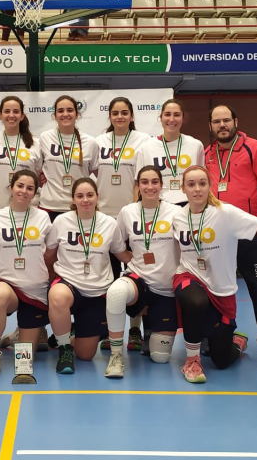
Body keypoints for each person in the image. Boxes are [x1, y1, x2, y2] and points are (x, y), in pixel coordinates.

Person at [172, 165, 257, 384]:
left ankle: (235, 342)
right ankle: (192, 360)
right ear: (183, 189)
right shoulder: (177, 216)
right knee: (194, 301)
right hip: (189, 276)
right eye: (191, 184)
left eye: (202, 184)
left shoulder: (226, 213)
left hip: (220, 288)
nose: (197, 189)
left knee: (222, 361)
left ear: (209, 187)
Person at [205, 104, 257, 366]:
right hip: (218, 236)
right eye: (217, 122)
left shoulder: (254, 148)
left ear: (235, 121)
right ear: (211, 127)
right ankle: (216, 335)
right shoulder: (207, 155)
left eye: (226, 120)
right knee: (214, 289)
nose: (222, 125)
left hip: (251, 233)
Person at [46, 178, 132, 374]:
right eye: (80, 196)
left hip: (97, 291)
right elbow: (49, 255)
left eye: (90, 195)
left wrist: (151, 257)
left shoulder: (109, 223)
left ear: (97, 197)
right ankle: (64, 349)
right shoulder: (61, 221)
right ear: (73, 199)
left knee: (86, 355)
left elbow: (122, 255)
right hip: (69, 284)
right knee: (57, 296)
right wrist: (48, 282)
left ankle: (69, 332)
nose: (85, 200)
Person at [104, 165, 182, 378]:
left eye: (154, 182)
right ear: (138, 185)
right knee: (116, 292)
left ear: (161, 185)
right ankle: (116, 355)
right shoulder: (127, 212)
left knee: (160, 357)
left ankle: (150, 330)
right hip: (138, 280)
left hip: (166, 289)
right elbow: (117, 244)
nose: (149, 186)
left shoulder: (176, 212)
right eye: (144, 182)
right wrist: (130, 261)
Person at [0, 170, 52, 377]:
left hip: (35, 293)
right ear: (11, 188)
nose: (24, 191)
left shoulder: (43, 217)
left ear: (35, 193)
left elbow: (52, 253)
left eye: (30, 188)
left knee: (25, 359)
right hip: (8, 285)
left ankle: (20, 335)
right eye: (20, 186)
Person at [95, 96, 151, 346]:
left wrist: (136, 210)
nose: (120, 117)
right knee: (108, 276)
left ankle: (136, 330)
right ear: (109, 116)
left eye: (125, 112)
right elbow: (94, 175)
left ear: (132, 116)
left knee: (136, 273)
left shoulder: (143, 142)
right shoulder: (98, 142)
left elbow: (143, 181)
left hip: (130, 216)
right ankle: (109, 329)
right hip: (104, 218)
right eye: (115, 113)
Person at [39, 95, 99, 222]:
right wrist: (38, 178)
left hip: (79, 207)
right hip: (49, 206)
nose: (65, 114)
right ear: (54, 116)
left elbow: (100, 175)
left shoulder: (90, 142)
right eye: (60, 111)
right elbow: (35, 167)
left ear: (77, 114)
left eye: (70, 110)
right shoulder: (45, 138)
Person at [135, 99, 205, 206]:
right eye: (167, 114)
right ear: (161, 117)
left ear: (183, 118)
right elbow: (137, 184)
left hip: (189, 205)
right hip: (158, 205)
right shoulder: (146, 148)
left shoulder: (195, 145)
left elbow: (203, 181)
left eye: (176, 115)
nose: (171, 119)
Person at [0, 96, 42, 211]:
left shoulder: (35, 143)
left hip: (27, 208)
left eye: (16, 111)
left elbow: (39, 177)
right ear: (0, 116)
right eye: (7, 111)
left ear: (22, 116)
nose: (11, 115)